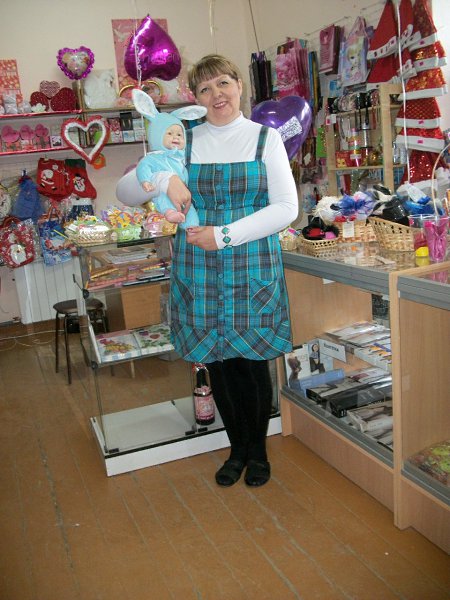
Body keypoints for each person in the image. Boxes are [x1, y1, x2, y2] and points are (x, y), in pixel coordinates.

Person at [130, 55, 298, 487]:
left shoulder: (264, 138)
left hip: (251, 263)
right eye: (205, 89)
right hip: (199, 268)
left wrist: (224, 235)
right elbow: (127, 189)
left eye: (223, 83)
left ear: (239, 85)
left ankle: (257, 453)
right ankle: (236, 450)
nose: (216, 94)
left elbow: (286, 208)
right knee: (218, 364)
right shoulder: (182, 140)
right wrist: (165, 180)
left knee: (252, 363)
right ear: (195, 99)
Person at [132, 89, 207, 228]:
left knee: (189, 212)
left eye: (179, 134)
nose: (175, 137)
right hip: (163, 193)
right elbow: (143, 167)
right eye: (169, 133)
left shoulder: (180, 157)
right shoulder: (154, 157)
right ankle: (170, 212)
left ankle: (192, 226)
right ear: (157, 135)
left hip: (184, 196)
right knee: (163, 199)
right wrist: (145, 180)